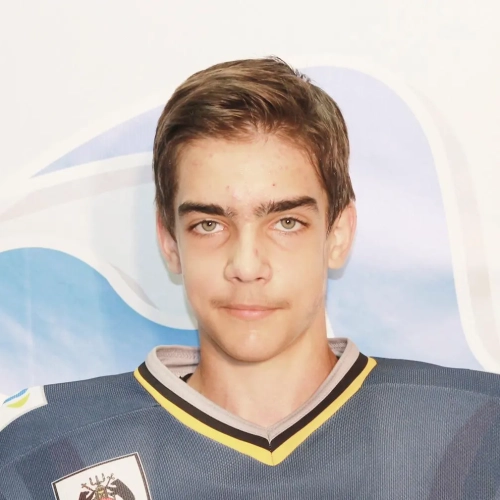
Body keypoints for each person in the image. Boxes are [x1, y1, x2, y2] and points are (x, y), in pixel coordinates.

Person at [1, 57, 500, 500]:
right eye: (209, 224)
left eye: (286, 222)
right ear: (169, 241)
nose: (245, 264)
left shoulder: (478, 433)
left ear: (338, 234)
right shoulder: (46, 454)